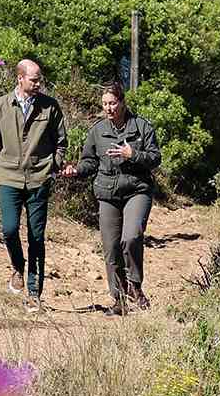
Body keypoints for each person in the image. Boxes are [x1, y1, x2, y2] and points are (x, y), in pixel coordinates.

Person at [0, 59, 67, 310]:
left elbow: (61, 141)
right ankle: (18, 265)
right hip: (9, 178)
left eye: (40, 80)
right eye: (34, 79)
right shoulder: (1, 106)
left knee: (37, 237)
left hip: (39, 178)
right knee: (8, 230)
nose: (39, 84)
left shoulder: (50, 107)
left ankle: (34, 293)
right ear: (20, 78)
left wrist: (54, 166)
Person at [65, 81, 161, 316]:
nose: (108, 108)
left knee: (131, 237)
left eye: (113, 103)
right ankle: (119, 299)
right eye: (105, 104)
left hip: (137, 190)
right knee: (110, 248)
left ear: (122, 102)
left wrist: (133, 154)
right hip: (108, 193)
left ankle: (135, 285)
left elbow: (155, 158)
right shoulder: (98, 131)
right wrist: (76, 170)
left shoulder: (141, 126)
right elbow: (89, 161)